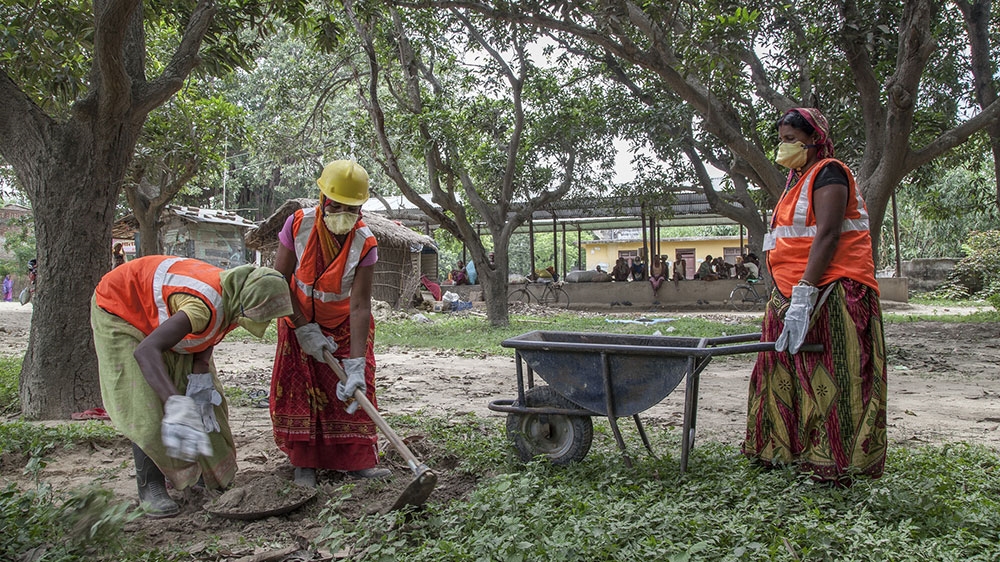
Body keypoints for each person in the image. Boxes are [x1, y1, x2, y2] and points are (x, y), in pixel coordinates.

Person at [743, 107, 886, 484]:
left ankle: (839, 463)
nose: (784, 146)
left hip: (833, 290)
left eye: (791, 139)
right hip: (788, 292)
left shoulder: (830, 173)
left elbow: (827, 235)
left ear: (814, 140)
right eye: (782, 139)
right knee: (779, 370)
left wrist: (806, 292)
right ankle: (780, 451)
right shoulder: (795, 182)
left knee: (834, 374)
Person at [91, 256, 293, 517]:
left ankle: (203, 478)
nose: (261, 323)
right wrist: (175, 403)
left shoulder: (236, 293)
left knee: (209, 405)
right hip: (122, 307)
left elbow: (214, 329)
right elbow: (146, 351)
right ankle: (151, 486)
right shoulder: (202, 306)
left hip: (165, 318)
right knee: (146, 404)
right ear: (249, 302)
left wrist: (200, 370)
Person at [270, 159, 391, 488]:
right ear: (323, 199)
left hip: (343, 324)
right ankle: (304, 463)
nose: (341, 212)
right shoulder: (298, 225)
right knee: (300, 388)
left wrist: (353, 362)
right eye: (335, 205)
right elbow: (279, 280)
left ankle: (357, 461)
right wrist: (302, 327)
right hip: (296, 319)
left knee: (355, 390)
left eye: (349, 207)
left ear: (361, 206)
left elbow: (360, 304)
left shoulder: (365, 242)